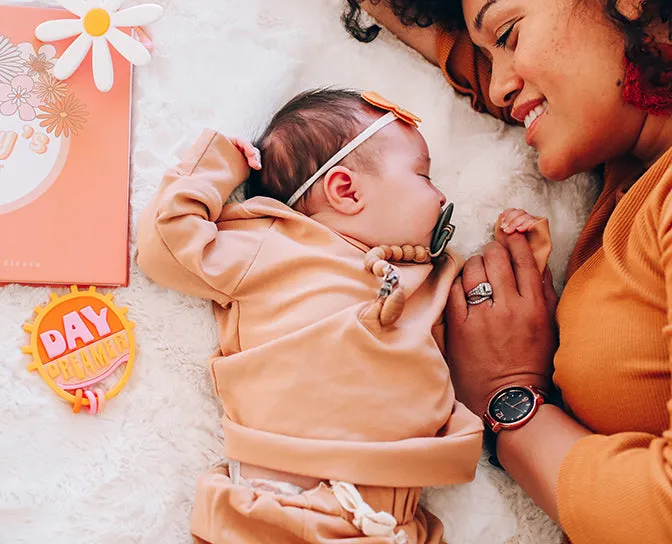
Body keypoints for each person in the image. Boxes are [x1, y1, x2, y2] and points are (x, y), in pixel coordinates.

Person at [32, 0, 672, 540]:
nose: (497, 84)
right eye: (488, 54)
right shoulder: (620, 149)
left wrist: (512, 401)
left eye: (508, 33)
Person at [135, 87, 549, 544]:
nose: (441, 194)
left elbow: (485, 335)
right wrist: (217, 165)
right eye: (424, 176)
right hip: (280, 497)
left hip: (393, 515)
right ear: (347, 190)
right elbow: (165, 245)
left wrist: (523, 253)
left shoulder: (427, 276)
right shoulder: (273, 245)